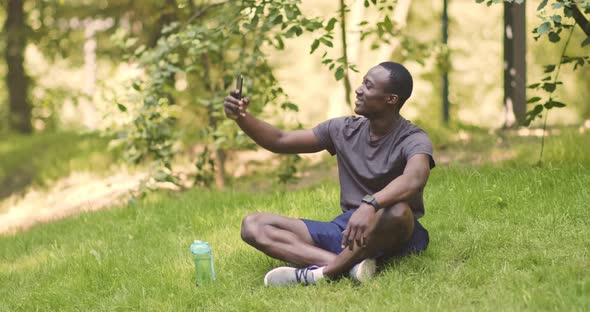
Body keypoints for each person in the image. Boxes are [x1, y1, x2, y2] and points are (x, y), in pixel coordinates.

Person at [223, 61, 435, 287]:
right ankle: (349, 266)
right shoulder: (343, 129)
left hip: (392, 232)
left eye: (369, 86)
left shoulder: (413, 138)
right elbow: (279, 140)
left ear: (390, 99)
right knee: (254, 225)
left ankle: (321, 273)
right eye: (362, 82)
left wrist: (370, 205)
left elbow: (414, 179)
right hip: (348, 229)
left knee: (399, 211)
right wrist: (242, 117)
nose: (359, 89)